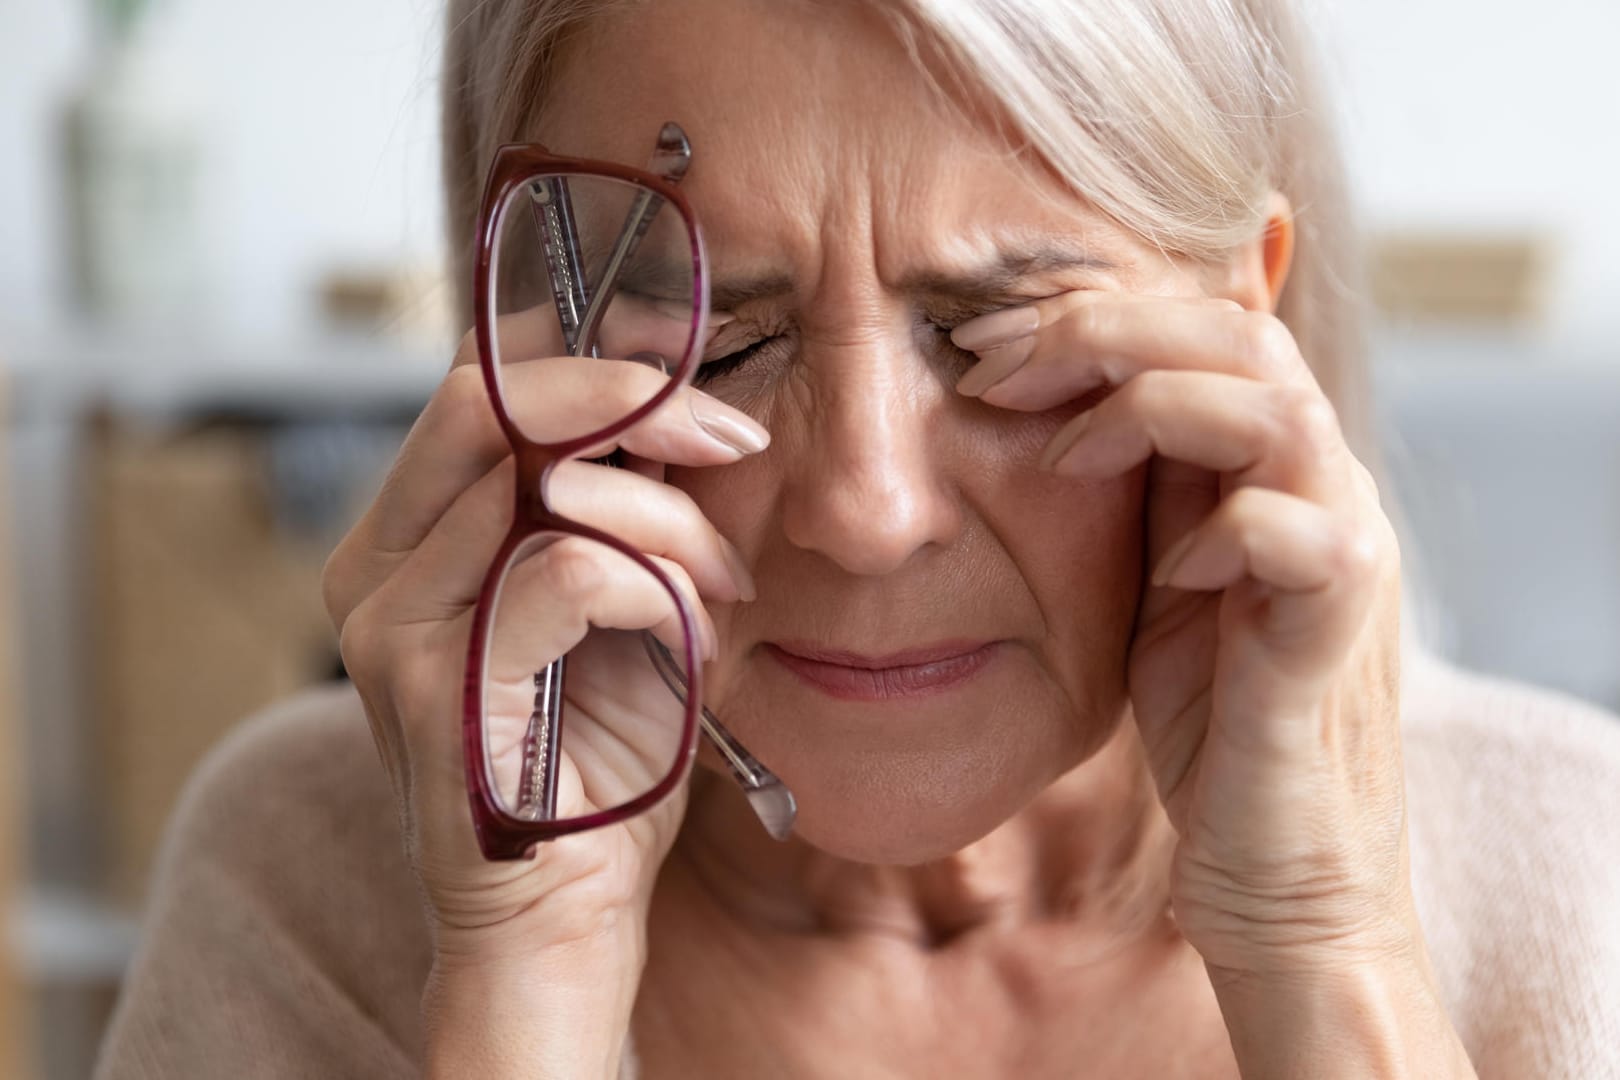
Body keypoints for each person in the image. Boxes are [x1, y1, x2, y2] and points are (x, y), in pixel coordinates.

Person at [97, 0, 1620, 1076]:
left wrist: (1324, 949)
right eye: (724, 338)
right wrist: (521, 991)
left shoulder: (1568, 865)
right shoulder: (306, 882)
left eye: (998, 328)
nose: (868, 514)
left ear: (1247, 322)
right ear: (528, 343)